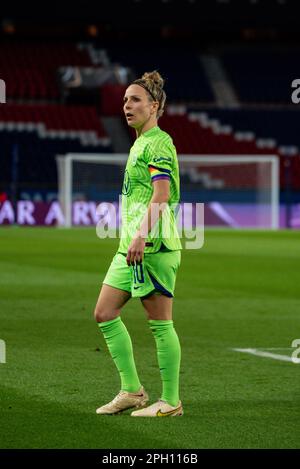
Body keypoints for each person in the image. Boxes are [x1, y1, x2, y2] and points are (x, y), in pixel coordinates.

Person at [94, 70, 183, 417]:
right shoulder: (139, 143)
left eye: (135, 100)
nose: (127, 106)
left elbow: (161, 195)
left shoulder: (158, 142)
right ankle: (132, 391)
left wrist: (142, 235)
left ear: (155, 106)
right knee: (104, 312)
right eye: (125, 100)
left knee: (160, 323)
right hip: (129, 248)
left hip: (152, 245)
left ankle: (171, 401)